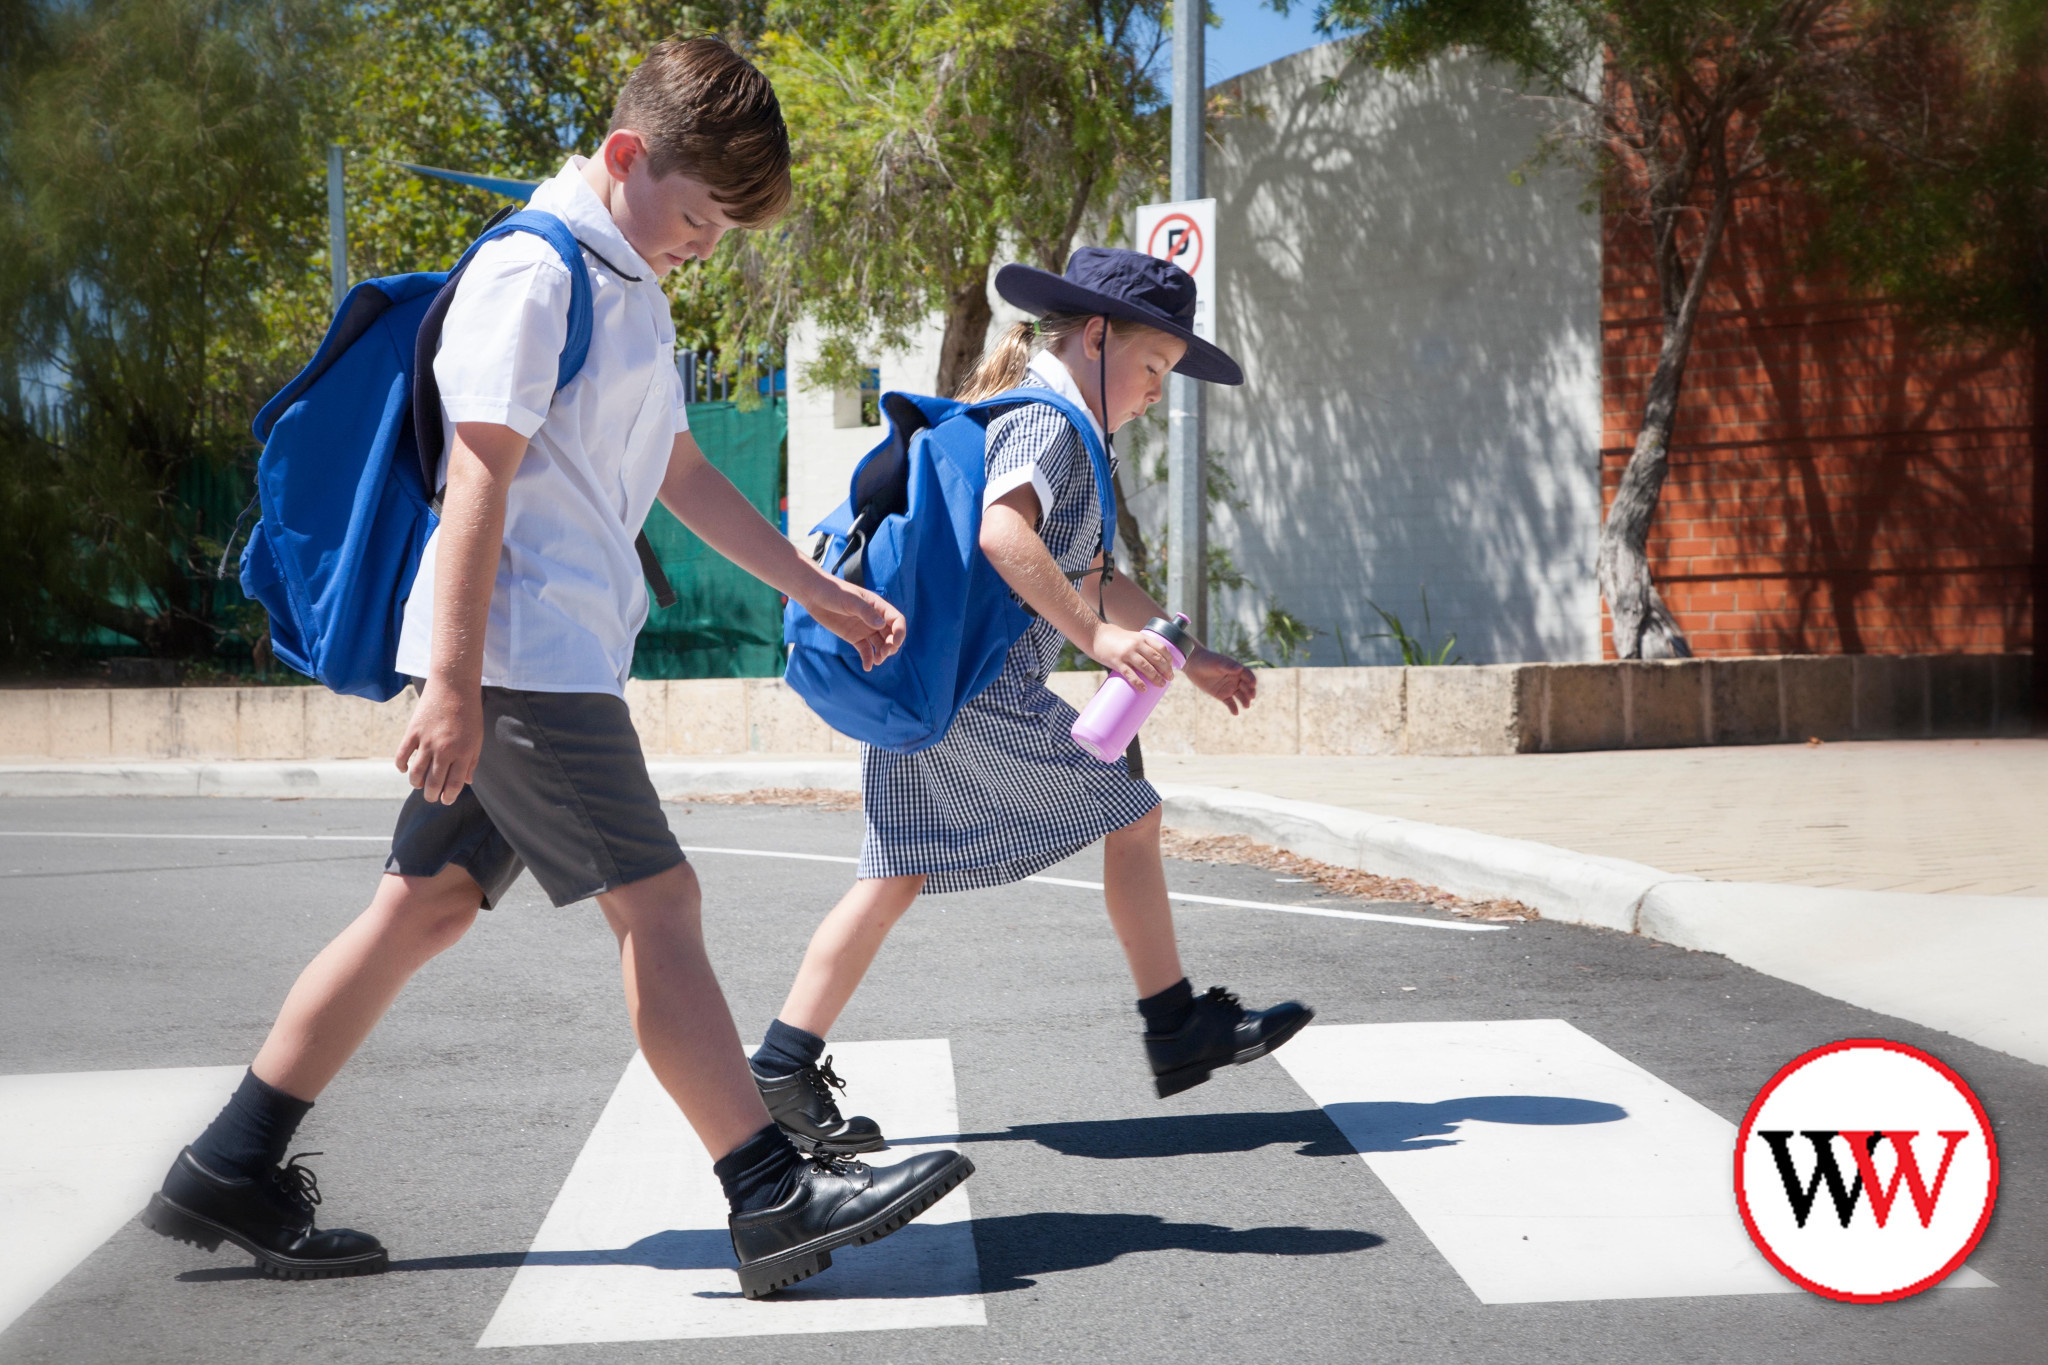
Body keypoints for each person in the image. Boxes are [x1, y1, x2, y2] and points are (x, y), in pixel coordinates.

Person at [141, 37, 970, 1301]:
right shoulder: (535, 273)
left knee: (416, 911)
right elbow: (479, 477)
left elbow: (676, 472)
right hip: (523, 663)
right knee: (661, 906)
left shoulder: (625, 275)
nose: (704, 241)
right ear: (627, 158)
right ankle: (769, 1194)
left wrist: (821, 591)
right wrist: (457, 685)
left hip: (547, 654)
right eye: (697, 213)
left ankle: (231, 1160)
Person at [750, 248, 1313, 1156]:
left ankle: (781, 1064)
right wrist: (1095, 641)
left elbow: (1093, 574)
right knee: (1132, 811)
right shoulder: (1049, 423)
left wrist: (1192, 655)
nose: (1153, 392)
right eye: (1151, 367)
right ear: (1095, 336)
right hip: (974, 690)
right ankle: (1173, 1024)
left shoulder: (1057, 425)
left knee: (892, 871)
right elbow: (1003, 532)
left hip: (928, 681)